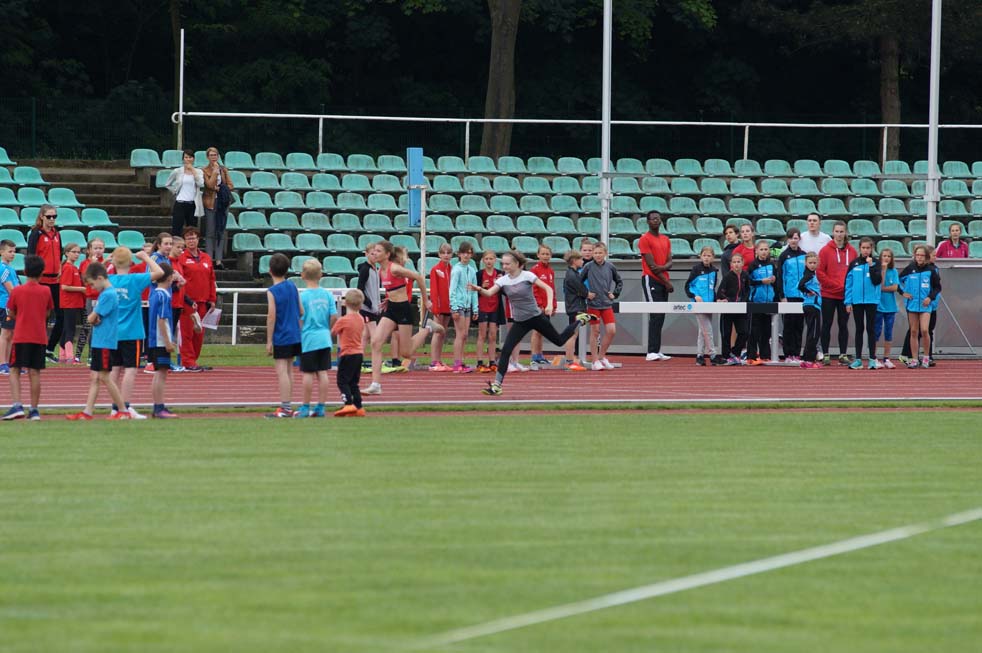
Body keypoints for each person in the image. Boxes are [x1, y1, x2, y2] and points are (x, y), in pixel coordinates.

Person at [469, 250, 595, 396]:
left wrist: (549, 304)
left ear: (517, 264)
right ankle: (497, 386)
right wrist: (479, 288)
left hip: (536, 317)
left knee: (559, 341)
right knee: (506, 351)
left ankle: (580, 320)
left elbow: (548, 288)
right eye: (503, 264)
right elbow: (489, 293)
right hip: (520, 321)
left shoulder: (527, 276)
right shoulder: (503, 280)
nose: (504, 266)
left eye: (507, 264)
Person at [364, 240, 445, 396]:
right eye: (374, 250)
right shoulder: (380, 270)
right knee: (375, 342)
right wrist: (388, 298)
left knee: (406, 353)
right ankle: (375, 384)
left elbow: (419, 277)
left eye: (378, 251)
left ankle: (428, 327)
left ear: (387, 254)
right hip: (391, 309)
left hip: (403, 310)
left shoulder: (394, 268)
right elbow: (394, 287)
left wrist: (426, 300)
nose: (374, 253)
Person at [66, 262, 130, 420]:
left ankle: (123, 410)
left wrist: (93, 317)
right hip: (100, 340)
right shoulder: (106, 293)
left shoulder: (108, 294)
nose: (92, 288)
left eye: (93, 284)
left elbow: (91, 318)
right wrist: (94, 317)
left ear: (100, 278)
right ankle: (87, 412)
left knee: (104, 377)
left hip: (105, 341)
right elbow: (94, 318)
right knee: (95, 377)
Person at [108, 247, 165, 419]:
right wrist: (146, 257)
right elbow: (160, 272)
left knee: (115, 369)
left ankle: (115, 407)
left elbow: (90, 275)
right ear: (131, 263)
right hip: (131, 332)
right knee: (130, 370)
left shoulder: (109, 280)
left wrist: (105, 261)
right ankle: (125, 407)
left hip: (113, 332)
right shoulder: (135, 279)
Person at [1, 256, 52, 420]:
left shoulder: (17, 291)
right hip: (39, 336)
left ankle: (17, 405)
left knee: (14, 370)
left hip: (21, 336)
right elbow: (47, 313)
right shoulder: (46, 291)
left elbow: (11, 312)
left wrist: (22, 317)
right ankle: (34, 409)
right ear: (42, 272)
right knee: (35, 372)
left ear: (25, 271)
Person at [293, 258, 339, 419]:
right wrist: (327, 328)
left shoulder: (303, 296)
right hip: (324, 337)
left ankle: (305, 406)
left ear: (302, 275)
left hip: (308, 338)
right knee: (322, 372)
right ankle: (321, 406)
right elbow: (334, 316)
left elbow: (299, 318)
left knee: (308, 373)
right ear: (321, 275)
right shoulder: (327, 294)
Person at [264, 253, 302, 418]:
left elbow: (271, 316)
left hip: (282, 335)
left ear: (270, 271)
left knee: (282, 371)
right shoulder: (292, 286)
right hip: (294, 333)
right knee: (289, 370)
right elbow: (301, 310)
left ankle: (285, 406)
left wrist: (269, 340)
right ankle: (288, 404)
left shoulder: (272, 291)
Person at [26, 204, 62, 362]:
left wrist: (60, 267)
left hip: (55, 281)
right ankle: (36, 349)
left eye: (54, 216)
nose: (52, 219)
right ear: (42, 216)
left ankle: (49, 349)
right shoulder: (36, 233)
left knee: (61, 317)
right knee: (41, 316)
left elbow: (59, 253)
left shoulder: (57, 234)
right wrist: (33, 277)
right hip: (41, 280)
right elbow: (31, 256)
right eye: (49, 216)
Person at [817, 221, 856, 365]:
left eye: (841, 231)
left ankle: (843, 354)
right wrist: (835, 285)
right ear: (833, 233)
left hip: (845, 295)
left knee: (843, 325)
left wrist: (847, 288)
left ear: (845, 233)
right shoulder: (825, 251)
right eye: (837, 231)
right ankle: (826, 354)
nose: (839, 234)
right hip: (828, 294)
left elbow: (854, 272)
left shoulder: (852, 252)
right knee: (826, 324)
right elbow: (820, 272)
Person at [178, 227, 216, 372]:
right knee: (187, 332)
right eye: (188, 238)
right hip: (188, 302)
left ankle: (194, 360)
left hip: (203, 301)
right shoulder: (182, 258)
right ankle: (188, 361)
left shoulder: (206, 257)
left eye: (193, 238)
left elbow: (211, 279)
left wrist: (212, 299)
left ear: (198, 239)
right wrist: (184, 299)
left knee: (199, 333)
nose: (191, 241)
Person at [899, 244, 942, 369]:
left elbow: (937, 287)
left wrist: (930, 297)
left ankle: (927, 356)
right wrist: (903, 292)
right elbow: (898, 280)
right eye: (917, 255)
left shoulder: (931, 270)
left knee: (924, 330)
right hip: (912, 305)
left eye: (922, 255)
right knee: (913, 331)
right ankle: (914, 358)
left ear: (926, 257)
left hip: (925, 305)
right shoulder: (910, 268)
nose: (919, 257)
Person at [582, 242, 623, 370]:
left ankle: (601, 357)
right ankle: (595, 361)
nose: (598, 255)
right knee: (595, 332)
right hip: (593, 305)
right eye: (595, 253)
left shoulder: (610, 266)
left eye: (600, 253)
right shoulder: (588, 266)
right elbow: (578, 282)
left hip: (606, 304)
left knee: (611, 331)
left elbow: (619, 281)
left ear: (605, 253)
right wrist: (586, 293)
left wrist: (615, 294)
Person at [638, 211, 673, 361]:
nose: (656, 221)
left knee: (661, 315)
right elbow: (652, 266)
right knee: (655, 314)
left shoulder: (666, 239)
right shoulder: (644, 239)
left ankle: (657, 350)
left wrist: (663, 268)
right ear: (648, 221)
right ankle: (651, 351)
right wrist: (666, 281)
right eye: (653, 219)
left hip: (663, 280)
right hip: (651, 279)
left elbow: (670, 262)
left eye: (658, 218)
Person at [843, 237, 883, 370]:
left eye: (868, 248)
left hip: (872, 301)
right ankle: (858, 359)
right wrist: (848, 302)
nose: (866, 250)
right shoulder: (854, 264)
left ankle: (872, 359)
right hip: (857, 301)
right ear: (859, 248)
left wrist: (871, 266)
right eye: (863, 248)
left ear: (872, 249)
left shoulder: (876, 263)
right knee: (859, 329)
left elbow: (877, 281)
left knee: (871, 329)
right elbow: (848, 284)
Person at [147, 263, 178, 418]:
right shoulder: (164, 295)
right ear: (170, 277)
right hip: (160, 341)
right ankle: (159, 407)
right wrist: (168, 342)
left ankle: (158, 406)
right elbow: (162, 320)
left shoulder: (154, 294)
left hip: (153, 340)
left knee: (159, 373)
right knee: (161, 374)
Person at [332, 289, 367, 417]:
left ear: (345, 303)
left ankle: (348, 403)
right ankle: (358, 406)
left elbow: (333, 332)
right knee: (353, 382)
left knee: (342, 381)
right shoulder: (361, 319)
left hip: (347, 353)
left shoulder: (344, 320)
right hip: (359, 353)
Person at [685, 245, 720, 366]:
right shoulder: (696, 269)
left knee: (703, 331)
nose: (706, 258)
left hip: (709, 305)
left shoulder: (714, 271)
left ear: (713, 257)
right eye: (704, 255)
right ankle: (713, 355)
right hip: (699, 305)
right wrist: (695, 296)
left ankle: (699, 356)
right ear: (700, 256)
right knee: (708, 330)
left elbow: (712, 288)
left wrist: (716, 300)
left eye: (709, 256)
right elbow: (688, 286)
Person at [746, 240, 780, 364]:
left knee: (766, 331)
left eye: (766, 249)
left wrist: (774, 280)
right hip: (756, 301)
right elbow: (748, 282)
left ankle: (765, 355)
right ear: (756, 251)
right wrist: (761, 281)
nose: (764, 252)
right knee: (754, 330)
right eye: (761, 249)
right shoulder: (753, 265)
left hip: (769, 301)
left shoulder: (772, 265)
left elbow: (776, 283)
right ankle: (751, 356)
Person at [74, 237, 106, 366]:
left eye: (101, 248)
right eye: (95, 248)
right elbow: (86, 279)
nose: (98, 251)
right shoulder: (85, 263)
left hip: (103, 297)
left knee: (102, 325)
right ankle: (85, 355)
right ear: (89, 250)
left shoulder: (106, 262)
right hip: (91, 298)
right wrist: (94, 265)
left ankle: (98, 354)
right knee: (89, 326)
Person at [201, 147, 234, 268]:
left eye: (215, 155)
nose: (213, 157)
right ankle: (209, 259)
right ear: (207, 157)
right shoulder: (204, 170)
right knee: (210, 231)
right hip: (210, 202)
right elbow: (209, 184)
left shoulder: (223, 169)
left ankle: (219, 260)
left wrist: (221, 188)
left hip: (222, 202)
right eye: (211, 155)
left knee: (220, 230)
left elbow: (231, 185)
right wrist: (215, 172)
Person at [777, 227, 806, 363]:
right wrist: (782, 296)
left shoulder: (804, 255)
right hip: (789, 295)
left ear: (799, 239)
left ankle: (796, 353)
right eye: (791, 238)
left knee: (799, 325)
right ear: (787, 239)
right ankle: (788, 354)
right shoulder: (784, 256)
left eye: (795, 238)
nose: (793, 241)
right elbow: (780, 276)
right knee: (788, 325)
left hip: (802, 295)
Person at [449, 241, 478, 373]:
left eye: (469, 253)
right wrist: (454, 307)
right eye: (464, 253)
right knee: (460, 334)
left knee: (465, 334)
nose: (466, 255)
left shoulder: (472, 270)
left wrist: (475, 308)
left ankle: (461, 360)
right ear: (459, 254)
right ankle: (457, 363)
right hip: (459, 305)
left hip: (467, 306)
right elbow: (452, 289)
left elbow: (474, 290)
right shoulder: (456, 270)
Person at [716, 253, 749, 365]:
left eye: (738, 262)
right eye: (734, 262)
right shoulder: (727, 277)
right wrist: (727, 300)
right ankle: (726, 356)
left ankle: (735, 353)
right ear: (731, 264)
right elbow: (720, 292)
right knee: (726, 333)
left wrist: (743, 301)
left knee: (744, 332)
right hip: (728, 309)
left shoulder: (745, 275)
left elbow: (747, 290)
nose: (736, 264)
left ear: (742, 263)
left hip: (740, 309)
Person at [475, 250, 504, 373]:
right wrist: (482, 286)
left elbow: (504, 291)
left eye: (491, 259)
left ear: (495, 260)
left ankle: (492, 362)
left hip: (495, 307)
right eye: (486, 259)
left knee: (493, 335)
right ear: (483, 260)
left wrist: (502, 283)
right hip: (482, 306)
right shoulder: (479, 274)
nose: (489, 261)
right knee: (482, 335)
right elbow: (473, 291)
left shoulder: (500, 274)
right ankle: (479, 362)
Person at [427, 242, 454, 371]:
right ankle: (433, 361)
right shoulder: (435, 269)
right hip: (439, 305)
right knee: (437, 332)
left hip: (449, 305)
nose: (446, 255)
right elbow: (434, 289)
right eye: (443, 253)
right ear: (439, 254)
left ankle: (439, 359)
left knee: (443, 333)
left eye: (448, 253)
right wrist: (435, 306)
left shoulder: (452, 269)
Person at [164, 149, 204, 235]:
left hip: (192, 203)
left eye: (190, 157)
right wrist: (175, 191)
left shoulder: (199, 171)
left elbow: (201, 184)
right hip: (180, 203)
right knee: (177, 228)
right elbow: (168, 184)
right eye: (186, 157)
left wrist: (193, 170)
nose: (188, 159)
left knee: (192, 229)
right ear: (183, 159)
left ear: (193, 159)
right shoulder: (177, 171)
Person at [529, 243, 556, 368]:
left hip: (547, 307)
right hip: (538, 307)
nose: (545, 256)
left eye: (547, 254)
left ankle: (540, 355)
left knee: (542, 332)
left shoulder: (551, 271)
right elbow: (534, 289)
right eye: (543, 254)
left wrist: (553, 305)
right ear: (538, 255)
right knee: (536, 331)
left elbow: (552, 289)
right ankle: (534, 357)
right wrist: (539, 304)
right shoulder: (534, 270)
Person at [561, 250, 589, 371]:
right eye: (580, 259)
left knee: (574, 334)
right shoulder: (572, 275)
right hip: (575, 308)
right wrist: (589, 294)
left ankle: (571, 360)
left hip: (575, 307)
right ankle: (569, 361)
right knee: (572, 335)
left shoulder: (573, 273)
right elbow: (583, 291)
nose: (583, 261)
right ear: (574, 261)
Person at [58, 242, 86, 363]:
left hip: (73, 302)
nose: (76, 254)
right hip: (69, 302)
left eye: (78, 252)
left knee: (67, 328)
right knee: (70, 328)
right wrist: (82, 289)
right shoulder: (68, 268)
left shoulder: (73, 267)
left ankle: (62, 354)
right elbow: (65, 286)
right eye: (74, 252)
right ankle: (69, 355)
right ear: (66, 253)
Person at [356, 239, 381, 368]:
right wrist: (369, 303)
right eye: (372, 254)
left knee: (365, 336)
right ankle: (376, 362)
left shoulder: (375, 269)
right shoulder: (365, 269)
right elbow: (360, 288)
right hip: (367, 308)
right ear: (366, 254)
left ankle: (357, 361)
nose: (375, 256)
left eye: (376, 253)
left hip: (373, 308)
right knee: (376, 337)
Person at [874, 248, 900, 369]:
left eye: (889, 256)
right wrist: (883, 270)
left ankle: (886, 358)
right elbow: (879, 284)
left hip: (890, 307)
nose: (886, 258)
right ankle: (874, 357)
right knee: (876, 332)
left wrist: (883, 289)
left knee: (888, 332)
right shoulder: (877, 270)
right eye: (884, 256)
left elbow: (895, 287)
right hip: (878, 306)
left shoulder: (894, 271)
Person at [797, 252, 823, 369]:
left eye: (814, 263)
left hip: (811, 305)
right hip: (812, 306)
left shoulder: (812, 274)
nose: (812, 265)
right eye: (810, 263)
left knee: (811, 332)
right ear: (806, 263)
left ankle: (806, 357)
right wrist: (808, 292)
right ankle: (809, 359)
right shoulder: (809, 275)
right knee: (814, 333)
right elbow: (800, 285)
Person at [0, 240, 21, 374]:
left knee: (11, 333)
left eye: (14, 251)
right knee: (5, 333)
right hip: (6, 304)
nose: (13, 254)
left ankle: (8, 362)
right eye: (10, 251)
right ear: (1, 252)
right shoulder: (3, 269)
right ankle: (2, 363)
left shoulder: (11, 268)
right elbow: (11, 289)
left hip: (12, 304)